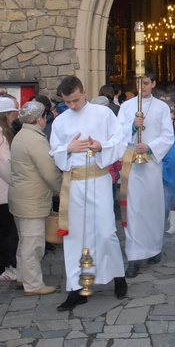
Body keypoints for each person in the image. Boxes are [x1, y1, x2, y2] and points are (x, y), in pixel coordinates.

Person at [50, 76, 128, 311]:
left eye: (75, 99)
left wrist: (101, 146)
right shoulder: (60, 122)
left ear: (84, 91)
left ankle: (117, 277)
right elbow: (54, 151)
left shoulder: (103, 114)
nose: (73, 105)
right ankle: (77, 288)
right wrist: (68, 148)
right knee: (75, 236)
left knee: (105, 232)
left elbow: (120, 139)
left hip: (99, 179)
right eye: (68, 102)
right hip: (74, 183)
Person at [117, 71, 175, 278]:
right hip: (131, 162)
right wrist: (132, 127)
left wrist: (150, 147)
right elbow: (116, 133)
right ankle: (134, 256)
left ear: (154, 84)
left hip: (150, 165)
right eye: (139, 83)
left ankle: (154, 248)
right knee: (133, 209)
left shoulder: (161, 107)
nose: (143, 87)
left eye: (147, 83)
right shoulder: (126, 107)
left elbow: (168, 136)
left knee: (152, 207)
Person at [9, 101, 62, 296]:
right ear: (39, 119)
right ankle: (33, 284)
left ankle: (23, 276)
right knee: (33, 243)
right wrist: (62, 188)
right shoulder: (35, 139)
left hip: (21, 196)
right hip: (32, 198)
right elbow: (48, 171)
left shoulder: (21, 135)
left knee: (24, 240)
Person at [0, 96, 20, 281]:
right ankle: (4, 267)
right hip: (1, 191)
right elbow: (3, 163)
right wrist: (15, 181)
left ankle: (2, 265)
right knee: (4, 231)